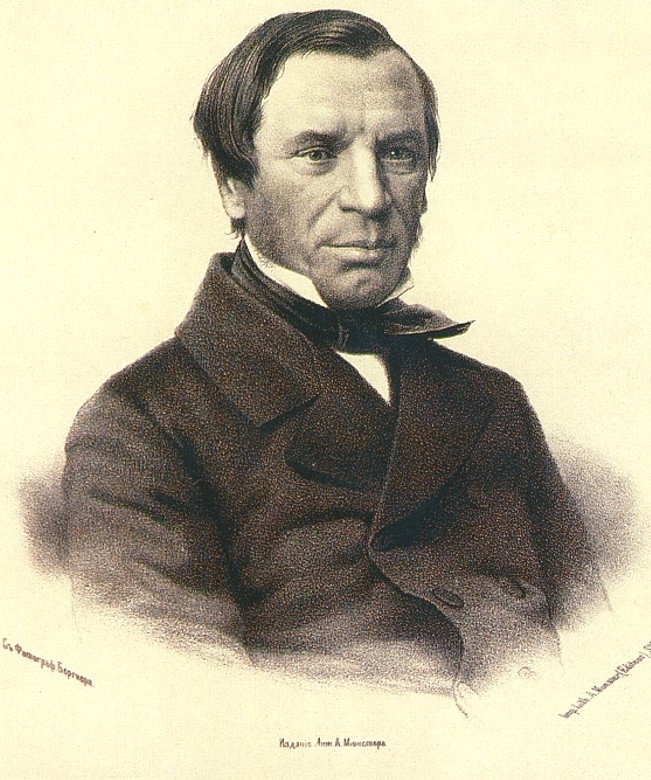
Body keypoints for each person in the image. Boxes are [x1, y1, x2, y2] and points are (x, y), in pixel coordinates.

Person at [62, 10, 605, 698]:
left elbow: (602, 657)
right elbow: (182, 708)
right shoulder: (141, 423)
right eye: (318, 154)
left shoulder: (490, 399)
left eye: (398, 153)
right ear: (233, 185)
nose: (371, 198)